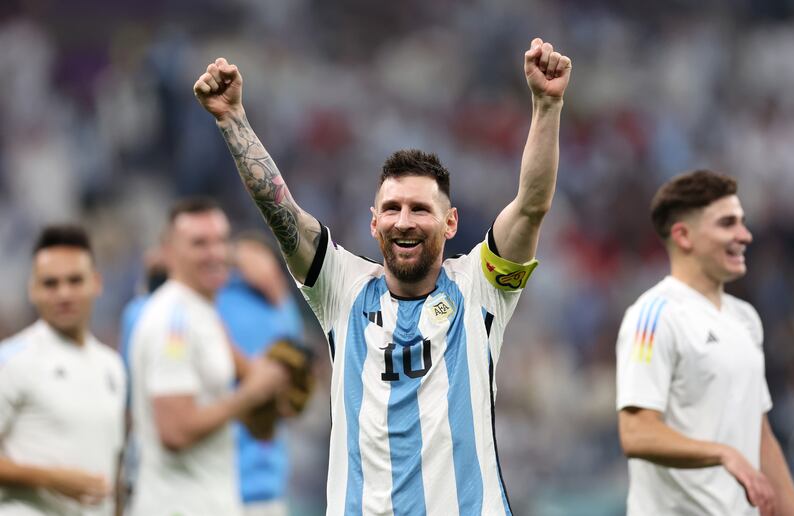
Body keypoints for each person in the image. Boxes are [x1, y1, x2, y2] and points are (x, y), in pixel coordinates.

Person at [195, 37, 571, 513]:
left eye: (420, 209)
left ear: (450, 222)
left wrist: (547, 105)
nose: (404, 221)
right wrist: (232, 119)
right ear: (373, 222)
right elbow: (279, 209)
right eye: (391, 209)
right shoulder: (341, 288)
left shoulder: (481, 287)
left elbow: (532, 206)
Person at [615, 170, 794, 516]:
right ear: (684, 236)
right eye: (727, 224)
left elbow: (759, 435)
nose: (744, 235)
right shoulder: (653, 316)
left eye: (742, 222)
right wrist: (722, 452)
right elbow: (636, 432)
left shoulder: (745, 318)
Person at [127, 198, 289, 516]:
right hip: (177, 506)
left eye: (220, 241)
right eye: (199, 243)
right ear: (169, 252)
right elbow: (175, 430)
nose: (215, 253)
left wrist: (275, 382)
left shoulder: (202, 311)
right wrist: (252, 395)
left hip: (208, 500)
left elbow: (253, 375)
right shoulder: (172, 321)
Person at [0, 225, 126, 515]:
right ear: (32, 290)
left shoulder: (112, 366)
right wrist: (49, 478)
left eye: (74, 280)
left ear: (96, 282)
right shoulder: (12, 359)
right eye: (51, 284)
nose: (64, 294)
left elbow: (110, 464)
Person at [217, 233, 304, 516]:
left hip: (265, 483)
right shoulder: (209, 297)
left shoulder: (281, 307)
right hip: (209, 481)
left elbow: (292, 385)